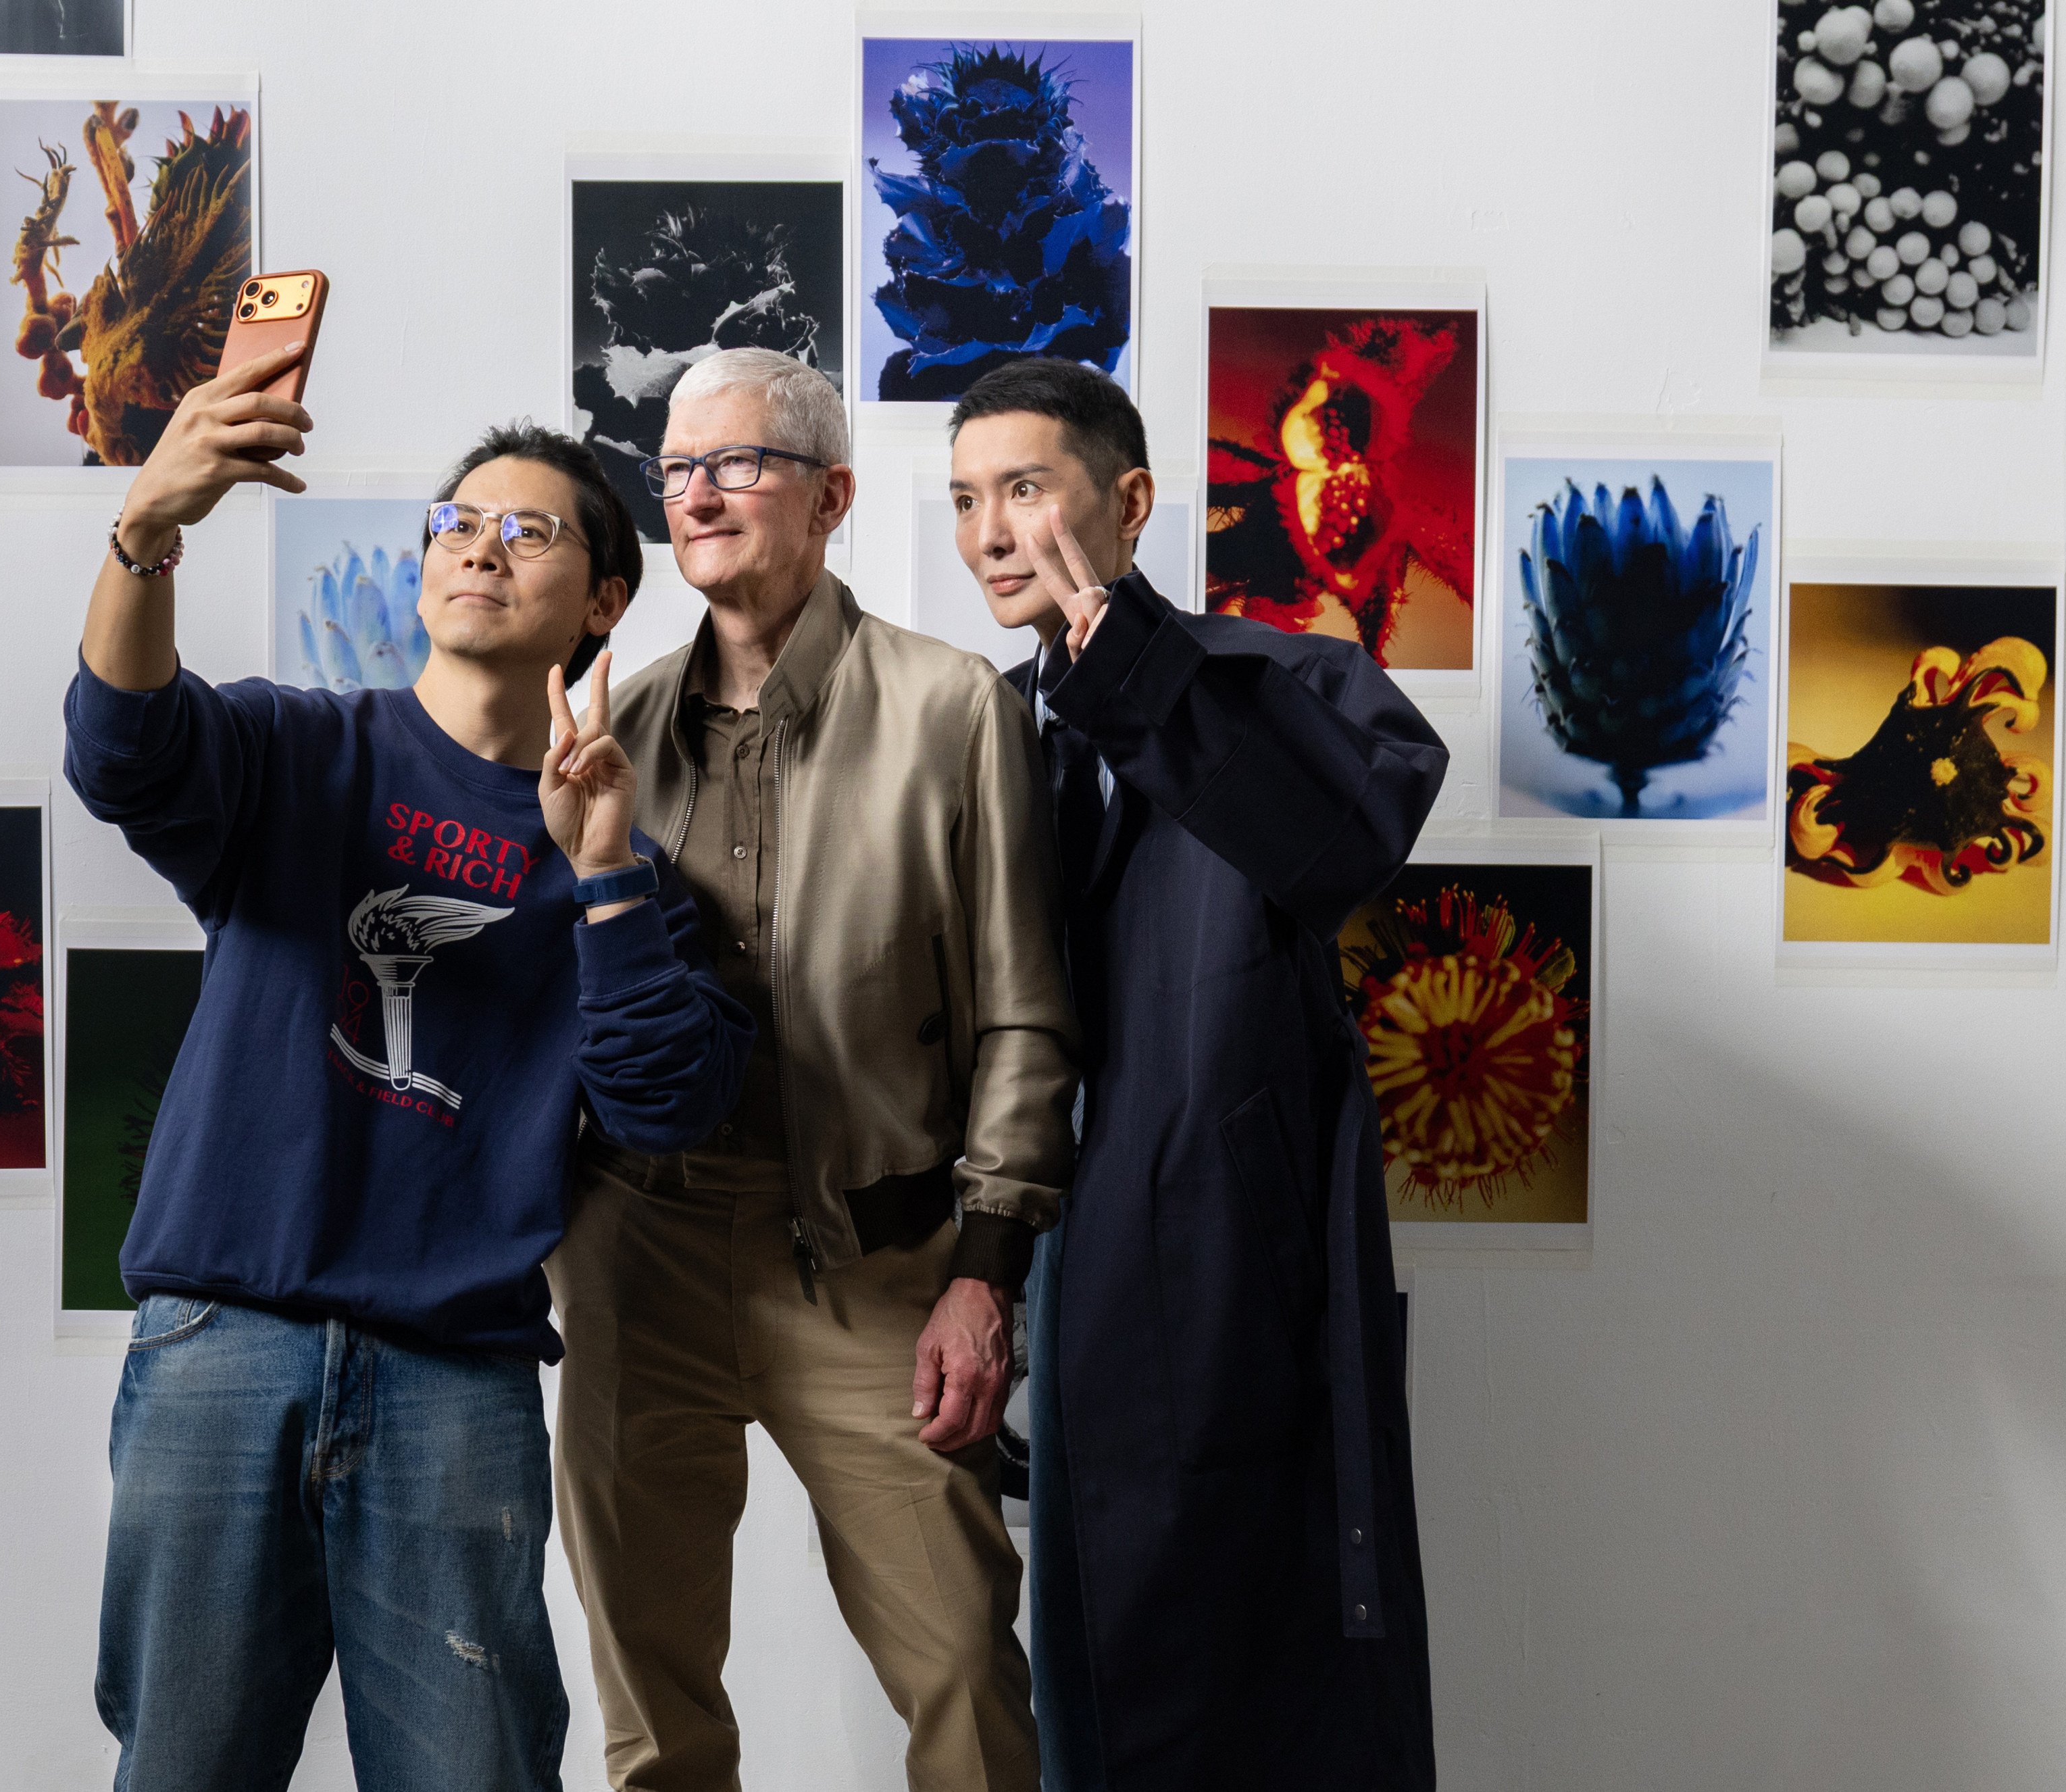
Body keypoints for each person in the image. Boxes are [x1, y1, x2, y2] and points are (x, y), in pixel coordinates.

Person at [63, 341, 754, 1792]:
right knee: (182, 1766)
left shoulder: (626, 866)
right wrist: (147, 527)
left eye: (530, 530)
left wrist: (607, 874)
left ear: (605, 600)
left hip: (457, 1374)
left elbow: (660, 1104)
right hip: (221, 1345)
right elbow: (120, 747)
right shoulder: (292, 751)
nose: (480, 550)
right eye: (457, 523)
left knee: (474, 1773)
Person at [549, 346, 1079, 1792]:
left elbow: (1024, 1014)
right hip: (637, 1260)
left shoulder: (952, 706)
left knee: (965, 1676)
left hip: (876, 1262)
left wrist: (987, 1270)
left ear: (831, 495)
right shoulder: (612, 731)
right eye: (673, 471)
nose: (696, 496)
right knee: (653, 1717)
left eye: (736, 465)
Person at [943, 356, 1445, 1788]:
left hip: (1231, 1265)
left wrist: (1136, 678)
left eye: (1025, 490)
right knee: (1081, 1676)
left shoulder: (1287, 679)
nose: (989, 534)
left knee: (1264, 1679)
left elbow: (1339, 847)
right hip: (1025, 1247)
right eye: (966, 500)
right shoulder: (975, 723)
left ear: (1132, 502)